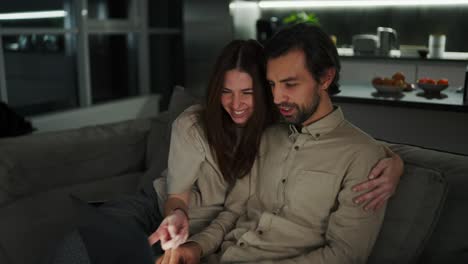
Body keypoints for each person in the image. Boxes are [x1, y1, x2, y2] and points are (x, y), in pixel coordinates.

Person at [51, 37, 402, 263]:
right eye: (227, 91)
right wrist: (184, 228)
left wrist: (392, 159)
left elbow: (342, 143)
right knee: (78, 248)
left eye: (249, 92)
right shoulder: (199, 125)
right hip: (166, 212)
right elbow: (184, 198)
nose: (236, 104)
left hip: (206, 236)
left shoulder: (281, 126)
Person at [156, 23, 397, 264]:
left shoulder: (363, 155)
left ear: (325, 78)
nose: (277, 97)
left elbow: (345, 255)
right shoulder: (268, 135)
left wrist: (394, 160)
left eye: (290, 84)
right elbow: (233, 212)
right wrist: (194, 249)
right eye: (271, 85)